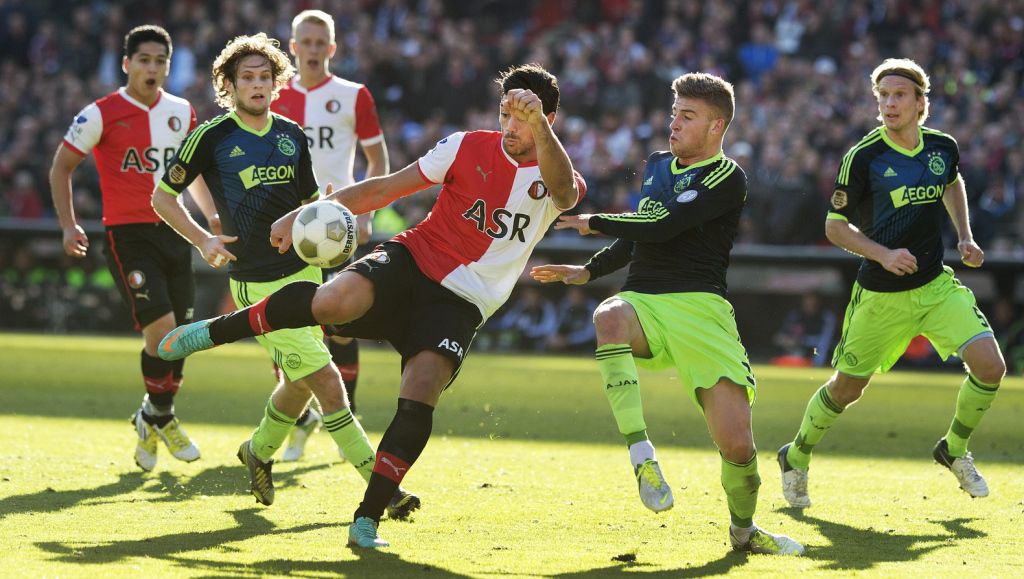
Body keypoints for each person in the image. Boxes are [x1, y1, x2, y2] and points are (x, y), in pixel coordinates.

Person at [158, 63, 585, 548]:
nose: (510, 126)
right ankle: (214, 332)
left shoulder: (558, 171)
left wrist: (540, 127)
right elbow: (385, 187)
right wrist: (305, 212)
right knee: (333, 301)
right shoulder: (465, 145)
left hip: (465, 301)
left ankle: (367, 518)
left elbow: (566, 193)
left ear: (549, 118)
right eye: (505, 112)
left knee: (421, 392)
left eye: (524, 117)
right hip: (411, 260)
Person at [530, 72, 802, 556]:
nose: (673, 123)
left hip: (703, 311)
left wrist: (595, 221)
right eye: (674, 113)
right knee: (608, 316)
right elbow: (639, 235)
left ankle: (744, 531)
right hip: (646, 302)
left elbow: (664, 223)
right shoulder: (657, 165)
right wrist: (588, 272)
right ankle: (643, 456)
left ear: (717, 126)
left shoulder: (726, 176)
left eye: (687, 116)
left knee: (738, 447)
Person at [150, 33, 417, 519]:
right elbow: (162, 197)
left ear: (277, 83)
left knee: (298, 381)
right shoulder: (211, 136)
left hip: (307, 275)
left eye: (264, 77)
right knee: (328, 382)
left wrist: (327, 216)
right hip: (255, 281)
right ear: (228, 86)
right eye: (246, 78)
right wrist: (202, 239)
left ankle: (257, 451)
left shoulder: (292, 135)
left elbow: (309, 204)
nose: (256, 85)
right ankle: (384, 492)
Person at [777, 58, 1007, 508]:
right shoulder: (863, 157)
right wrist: (883, 254)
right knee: (847, 389)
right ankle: (796, 454)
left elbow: (951, 182)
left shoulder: (942, 147)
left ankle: (954, 449)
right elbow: (834, 227)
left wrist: (965, 236)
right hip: (880, 296)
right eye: (882, 96)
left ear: (921, 102)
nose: (889, 103)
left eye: (899, 95)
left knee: (991, 367)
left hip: (935, 286)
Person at [49, 25, 217, 472]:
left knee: (181, 339)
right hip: (128, 235)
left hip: (175, 230)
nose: (152, 68)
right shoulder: (100, 114)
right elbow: (61, 167)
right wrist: (69, 226)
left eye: (160, 61)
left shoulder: (183, 111)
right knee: (160, 332)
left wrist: (211, 217)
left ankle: (152, 416)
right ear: (126, 64)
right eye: (144, 59)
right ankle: (163, 416)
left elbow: (192, 173)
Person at [271, 9, 391, 462]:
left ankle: (348, 414)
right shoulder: (273, 97)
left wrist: (367, 212)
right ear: (293, 46)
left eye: (322, 42)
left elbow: (378, 161)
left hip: (335, 226)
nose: (315, 49)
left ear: (333, 48)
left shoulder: (353, 96)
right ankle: (299, 418)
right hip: (284, 226)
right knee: (287, 322)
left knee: (341, 324)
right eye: (307, 41)